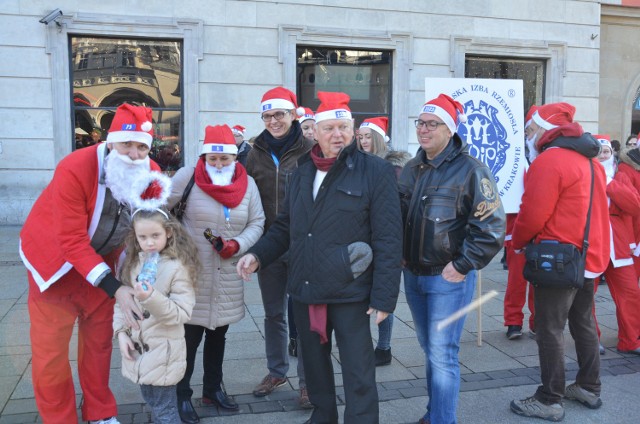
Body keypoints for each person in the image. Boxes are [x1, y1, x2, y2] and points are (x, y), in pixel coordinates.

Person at [238, 90, 402, 424]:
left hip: (350, 290)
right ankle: (322, 416)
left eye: (343, 127)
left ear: (353, 129)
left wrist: (384, 297)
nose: (337, 135)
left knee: (358, 371)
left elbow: (388, 237)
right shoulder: (302, 171)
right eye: (329, 128)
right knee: (314, 368)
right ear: (316, 132)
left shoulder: (375, 171)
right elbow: (285, 226)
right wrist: (258, 255)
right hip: (306, 286)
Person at [19, 103, 164, 424]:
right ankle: (60, 418)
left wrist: (141, 276)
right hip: (54, 267)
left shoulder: (148, 169)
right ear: (110, 141)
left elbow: (151, 227)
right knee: (51, 353)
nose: (134, 154)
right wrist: (117, 289)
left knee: (99, 346)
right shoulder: (75, 166)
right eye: (126, 144)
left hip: (103, 266)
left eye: (142, 146)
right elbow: (70, 240)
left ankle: (100, 412)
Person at [399, 94, 505, 424]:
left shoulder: (472, 170)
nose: (424, 129)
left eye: (433, 124)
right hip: (414, 276)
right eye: (421, 123)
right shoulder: (411, 169)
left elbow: (491, 227)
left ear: (450, 130)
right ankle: (436, 414)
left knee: (443, 354)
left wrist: (461, 265)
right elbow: (396, 216)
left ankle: (443, 420)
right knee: (431, 350)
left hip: (448, 279)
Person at [509, 103, 609, 422]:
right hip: (588, 257)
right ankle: (589, 387)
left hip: (559, 259)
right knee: (583, 324)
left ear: (544, 129)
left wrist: (518, 241)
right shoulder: (590, 161)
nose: (527, 136)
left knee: (549, 328)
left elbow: (533, 213)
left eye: (529, 129)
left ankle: (550, 398)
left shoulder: (550, 160)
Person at [168, 124, 265, 423]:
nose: (219, 164)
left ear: (235, 158)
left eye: (225, 159)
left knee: (218, 335)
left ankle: (212, 389)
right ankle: (181, 395)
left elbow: (257, 222)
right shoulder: (187, 177)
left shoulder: (247, 184)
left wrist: (237, 245)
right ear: (204, 156)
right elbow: (160, 214)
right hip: (192, 273)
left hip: (227, 273)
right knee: (189, 337)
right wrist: (178, 245)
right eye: (213, 159)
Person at [244, 87, 314, 406]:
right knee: (273, 314)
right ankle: (277, 370)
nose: (273, 121)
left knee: (304, 317)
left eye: (279, 114)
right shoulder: (254, 152)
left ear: (293, 114)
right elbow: (244, 197)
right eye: (268, 115)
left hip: (303, 247)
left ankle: (308, 382)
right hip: (269, 246)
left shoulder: (312, 149)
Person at [114, 208, 198, 424]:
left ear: (168, 232)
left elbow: (181, 312)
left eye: (155, 236)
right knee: (152, 401)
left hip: (164, 354)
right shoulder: (135, 262)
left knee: (165, 410)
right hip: (141, 352)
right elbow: (122, 303)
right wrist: (121, 333)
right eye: (143, 237)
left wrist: (151, 297)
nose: (149, 242)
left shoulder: (177, 268)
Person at [357, 116, 410, 366]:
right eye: (361, 137)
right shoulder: (356, 164)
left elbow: (399, 209)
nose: (364, 141)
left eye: (369, 136)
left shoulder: (395, 169)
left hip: (386, 242)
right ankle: (362, 346)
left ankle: (384, 346)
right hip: (361, 242)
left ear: (378, 139)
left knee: (383, 297)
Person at [594, 135, 640, 355]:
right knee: (585, 297)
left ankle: (631, 340)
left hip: (618, 246)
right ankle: (591, 340)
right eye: (600, 151)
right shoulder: (585, 176)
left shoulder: (618, 177)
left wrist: (609, 185)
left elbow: (634, 205)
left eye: (607, 151)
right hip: (592, 244)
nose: (603, 155)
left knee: (630, 292)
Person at [504, 105, 538, 340]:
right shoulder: (513, 158)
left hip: (541, 232)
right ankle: (513, 322)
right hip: (516, 228)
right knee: (516, 281)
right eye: (527, 132)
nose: (528, 137)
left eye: (531, 132)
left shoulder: (545, 157)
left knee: (539, 281)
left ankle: (538, 322)